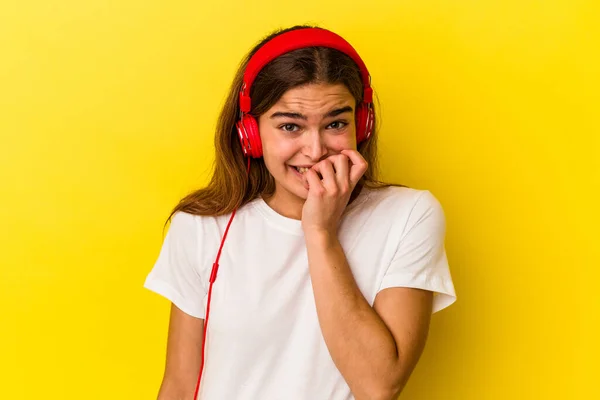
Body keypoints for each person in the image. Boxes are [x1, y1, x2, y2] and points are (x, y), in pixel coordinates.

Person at [144, 25, 457, 400]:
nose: (315, 150)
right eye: (290, 126)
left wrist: (320, 232)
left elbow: (378, 385)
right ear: (250, 134)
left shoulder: (409, 216)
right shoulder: (200, 227)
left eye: (336, 124)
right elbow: (179, 385)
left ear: (362, 125)